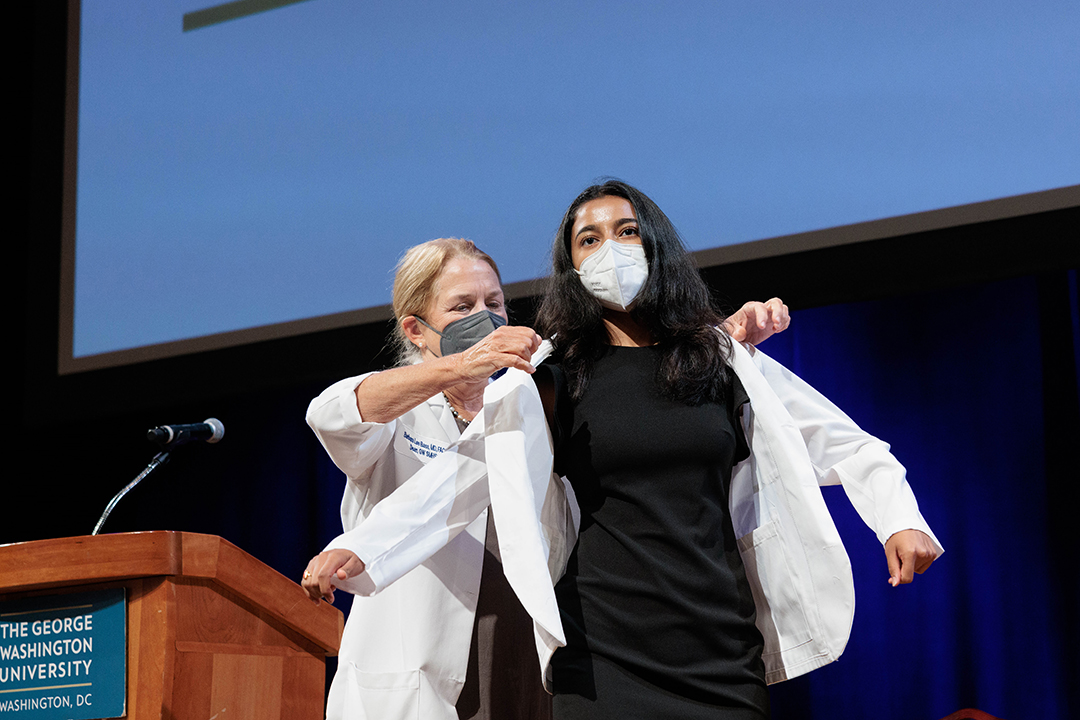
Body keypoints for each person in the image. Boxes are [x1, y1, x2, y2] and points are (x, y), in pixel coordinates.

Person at [302, 236, 788, 720]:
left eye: (494, 303)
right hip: (418, 664)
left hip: (527, 657)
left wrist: (717, 343)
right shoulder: (397, 418)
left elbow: (642, 398)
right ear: (415, 328)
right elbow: (329, 415)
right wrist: (462, 365)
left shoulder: (533, 403)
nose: (485, 317)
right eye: (461, 306)